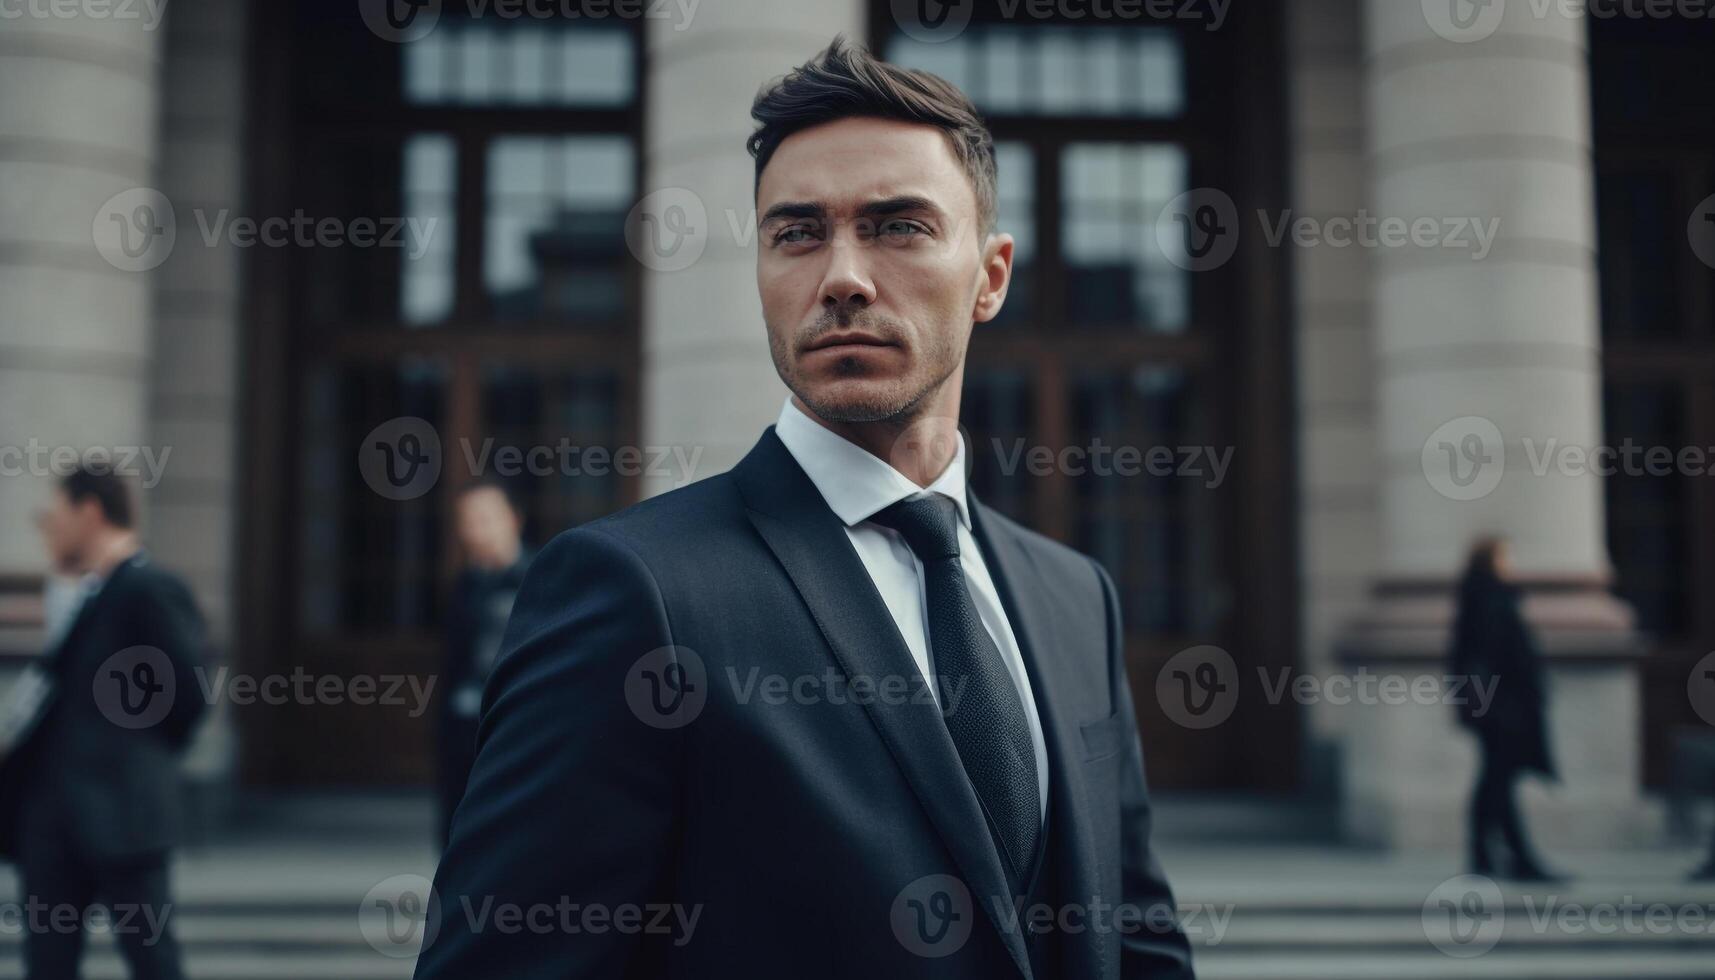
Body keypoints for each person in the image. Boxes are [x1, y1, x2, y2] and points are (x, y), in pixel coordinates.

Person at [416, 38, 1193, 980]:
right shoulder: (630, 592)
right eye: (796, 233)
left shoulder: (1076, 597)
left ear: (990, 277)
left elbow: (1138, 940)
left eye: (898, 226)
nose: (842, 277)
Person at [1, 464, 207, 979]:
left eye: (56, 513)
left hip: (123, 817)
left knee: (152, 961)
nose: (48, 526)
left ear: (89, 512)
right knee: (48, 964)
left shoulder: (150, 588)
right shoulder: (81, 593)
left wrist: (137, 764)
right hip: (52, 825)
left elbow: (188, 691)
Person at [1449, 536, 1564, 883]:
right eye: (1504, 556)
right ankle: (1516, 858)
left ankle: (1485, 855)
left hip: (1494, 709)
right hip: (1503, 710)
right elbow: (1501, 659)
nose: (1510, 562)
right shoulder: (1492, 601)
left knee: (1494, 780)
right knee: (1498, 781)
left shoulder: (1477, 599)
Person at [435, 480, 530, 851]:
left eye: (485, 518)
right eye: (467, 520)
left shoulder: (536, 579)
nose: (475, 530)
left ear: (513, 520)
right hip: (462, 720)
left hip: (513, 719)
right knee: (457, 816)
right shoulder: (466, 584)